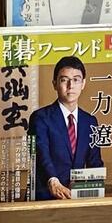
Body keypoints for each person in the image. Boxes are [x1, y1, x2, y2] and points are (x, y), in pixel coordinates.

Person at [28, 55, 103, 201]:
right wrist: (53, 181)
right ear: (54, 84)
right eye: (64, 80)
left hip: (78, 198)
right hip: (46, 197)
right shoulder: (40, 118)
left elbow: (95, 162)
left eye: (76, 80)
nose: (70, 86)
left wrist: (97, 191)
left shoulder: (90, 121)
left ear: (83, 83)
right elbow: (41, 154)